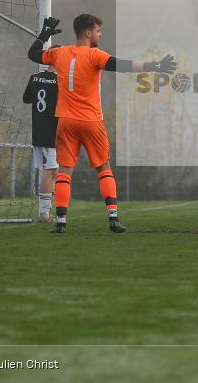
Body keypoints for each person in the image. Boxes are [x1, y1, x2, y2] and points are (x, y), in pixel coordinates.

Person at [27, 14, 176, 234]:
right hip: (91, 120)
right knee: (103, 168)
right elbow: (122, 65)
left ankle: (60, 222)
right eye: (98, 31)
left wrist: (44, 34)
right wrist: (155, 65)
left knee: (65, 172)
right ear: (87, 33)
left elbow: (33, 54)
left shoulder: (60, 53)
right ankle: (113, 218)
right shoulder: (94, 55)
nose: (100, 35)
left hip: (66, 121)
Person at [22, 56, 59, 222]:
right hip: (53, 131)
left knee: (52, 171)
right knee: (50, 171)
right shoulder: (62, 80)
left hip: (38, 130)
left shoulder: (34, 77)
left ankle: (47, 211)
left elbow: (26, 99)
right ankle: (44, 214)